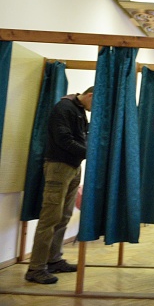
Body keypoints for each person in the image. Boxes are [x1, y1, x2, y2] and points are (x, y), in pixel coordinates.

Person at [25, 86, 94, 284]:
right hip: (59, 167)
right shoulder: (64, 108)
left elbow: (83, 137)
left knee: (63, 216)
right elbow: (63, 140)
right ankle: (35, 268)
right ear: (91, 95)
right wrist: (90, 154)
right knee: (50, 218)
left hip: (72, 166)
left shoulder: (79, 110)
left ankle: (53, 260)